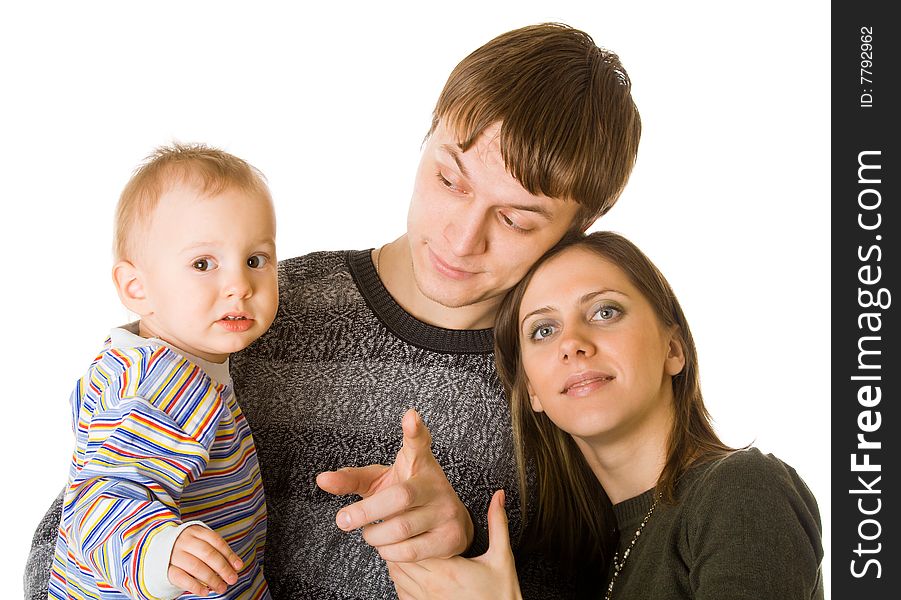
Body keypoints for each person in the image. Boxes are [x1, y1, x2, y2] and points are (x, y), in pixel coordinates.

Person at [25, 23, 642, 599]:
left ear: (577, 231)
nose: (461, 239)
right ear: (424, 138)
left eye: (514, 218)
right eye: (450, 180)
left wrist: (465, 544)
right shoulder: (245, 314)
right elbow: (68, 538)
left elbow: (601, 579)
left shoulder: (569, 385)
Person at [387, 231, 825, 600]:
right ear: (533, 393)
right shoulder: (604, 555)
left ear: (674, 349)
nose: (571, 343)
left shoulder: (741, 488)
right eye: (543, 329)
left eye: (604, 311)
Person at [48, 145, 278, 599]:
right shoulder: (166, 382)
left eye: (255, 260)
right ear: (137, 287)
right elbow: (97, 502)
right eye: (202, 264)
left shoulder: (130, 360)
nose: (239, 286)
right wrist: (157, 548)